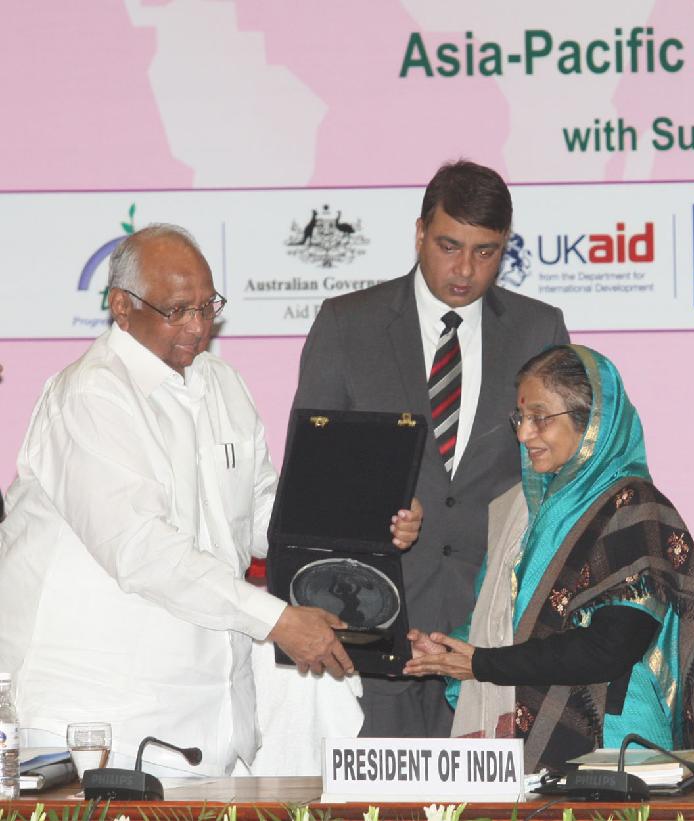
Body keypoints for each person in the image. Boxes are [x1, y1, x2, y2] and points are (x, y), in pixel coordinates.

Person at [0, 224, 421, 777]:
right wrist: (276, 620)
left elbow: (264, 513)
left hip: (203, 722)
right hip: (92, 719)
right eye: (177, 311)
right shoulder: (88, 395)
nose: (198, 327)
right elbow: (141, 549)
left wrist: (365, 521)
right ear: (122, 307)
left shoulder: (223, 383)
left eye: (207, 306)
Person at [293, 160, 569, 738]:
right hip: (372, 627)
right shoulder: (347, 326)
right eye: (449, 246)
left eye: (486, 251)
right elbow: (312, 479)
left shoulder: (538, 330)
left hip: (489, 638)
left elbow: (559, 483)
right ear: (420, 232)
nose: (465, 269)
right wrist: (376, 508)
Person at [403, 345, 694, 772]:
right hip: (522, 742)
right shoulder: (519, 511)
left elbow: (610, 649)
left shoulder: (633, 507)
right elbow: (502, 623)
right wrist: (449, 652)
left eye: (540, 418)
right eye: (520, 418)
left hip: (614, 749)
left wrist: (482, 663)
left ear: (592, 421)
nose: (523, 434)